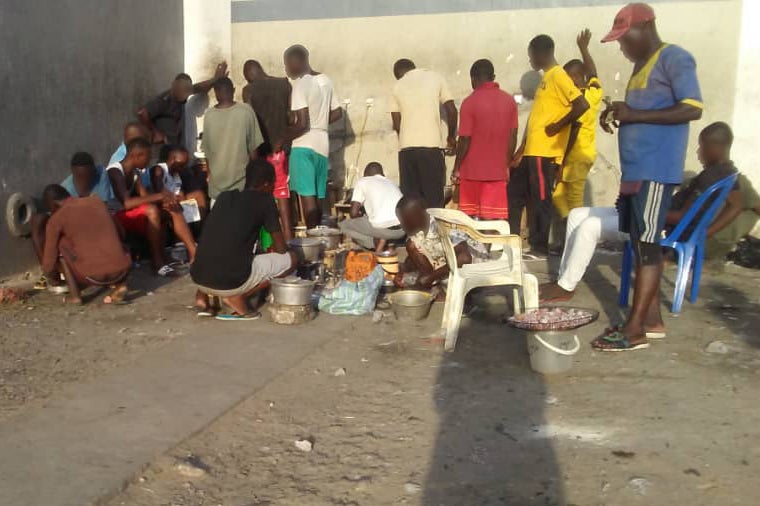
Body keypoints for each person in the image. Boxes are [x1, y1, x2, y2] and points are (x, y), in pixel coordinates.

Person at [591, 3, 702, 351]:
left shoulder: (675, 58)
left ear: (646, 28)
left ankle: (635, 328)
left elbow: (692, 107)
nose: (622, 47)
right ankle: (652, 319)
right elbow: (643, 113)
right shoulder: (641, 66)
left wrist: (634, 114)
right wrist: (620, 115)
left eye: (625, 39)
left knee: (649, 245)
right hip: (636, 171)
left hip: (656, 170)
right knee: (639, 243)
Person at [541, 123, 753, 304]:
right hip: (653, 216)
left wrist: (700, 233)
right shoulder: (728, 173)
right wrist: (703, 232)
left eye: (702, 146)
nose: (699, 152)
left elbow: (680, 217)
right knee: (578, 214)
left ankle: (566, 287)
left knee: (589, 227)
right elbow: (736, 205)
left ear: (717, 146)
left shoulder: (713, 176)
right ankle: (563, 278)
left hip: (656, 227)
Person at [509, 35, 590, 255]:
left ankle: (539, 245)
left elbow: (581, 105)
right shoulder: (546, 79)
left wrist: (558, 126)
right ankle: (513, 239)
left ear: (540, 53)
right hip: (532, 150)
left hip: (545, 151)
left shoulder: (559, 76)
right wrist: (522, 148)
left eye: (531, 56)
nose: (530, 61)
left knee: (541, 198)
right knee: (515, 192)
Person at [191, 158, 297, 320]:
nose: (274, 188)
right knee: (292, 259)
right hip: (231, 282)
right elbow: (281, 248)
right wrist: (292, 249)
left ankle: (202, 297)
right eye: (274, 184)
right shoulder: (265, 201)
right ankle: (238, 296)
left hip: (198, 277)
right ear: (266, 184)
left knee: (218, 253)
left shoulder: (224, 197)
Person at [107, 137, 197, 276]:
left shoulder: (135, 172)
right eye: (147, 157)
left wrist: (167, 202)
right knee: (152, 210)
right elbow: (126, 203)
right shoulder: (115, 171)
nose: (149, 162)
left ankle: (193, 254)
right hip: (115, 215)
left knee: (170, 208)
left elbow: (144, 197)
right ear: (136, 156)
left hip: (130, 213)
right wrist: (160, 196)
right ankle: (157, 261)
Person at [31, 152, 117, 290]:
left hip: (95, 228)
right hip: (75, 230)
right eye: (80, 177)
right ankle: (52, 275)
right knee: (39, 223)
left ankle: (77, 286)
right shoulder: (65, 189)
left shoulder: (101, 174)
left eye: (89, 176)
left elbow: (103, 211)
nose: (85, 180)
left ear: (93, 172)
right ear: (73, 173)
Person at [40, 185, 131, 305]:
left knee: (62, 244)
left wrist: (52, 279)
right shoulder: (96, 201)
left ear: (52, 205)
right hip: (123, 269)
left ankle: (75, 296)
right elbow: (121, 233)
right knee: (109, 239)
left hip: (92, 276)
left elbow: (49, 263)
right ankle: (120, 285)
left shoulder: (57, 218)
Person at [283, 45, 343, 229]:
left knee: (307, 197)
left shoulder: (301, 85)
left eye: (287, 65)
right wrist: (320, 122)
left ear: (296, 62)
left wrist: (283, 139)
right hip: (322, 144)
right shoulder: (325, 80)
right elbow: (337, 112)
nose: (286, 70)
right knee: (317, 195)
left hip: (303, 146)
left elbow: (301, 124)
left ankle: (312, 240)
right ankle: (320, 237)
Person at [452, 59, 518, 220]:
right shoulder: (509, 101)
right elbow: (513, 136)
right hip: (497, 172)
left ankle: (475, 246)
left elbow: (465, 139)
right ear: (493, 76)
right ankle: (492, 245)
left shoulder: (469, 103)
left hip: (471, 173)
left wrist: (456, 167)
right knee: (493, 219)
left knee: (470, 219)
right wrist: (506, 165)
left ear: (472, 79)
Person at [390, 58, 457, 209]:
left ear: (399, 74)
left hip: (407, 150)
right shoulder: (435, 77)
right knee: (433, 199)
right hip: (431, 148)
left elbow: (396, 123)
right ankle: (434, 231)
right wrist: (451, 137)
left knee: (411, 201)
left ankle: (415, 232)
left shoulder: (398, 85)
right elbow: (451, 110)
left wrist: (407, 136)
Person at [552, 29, 604, 220]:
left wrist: (561, 160)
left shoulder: (580, 100)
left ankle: (578, 236)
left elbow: (574, 131)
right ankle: (571, 228)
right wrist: (584, 49)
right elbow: (593, 73)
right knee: (557, 195)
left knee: (574, 201)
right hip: (583, 154)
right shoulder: (594, 93)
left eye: (567, 78)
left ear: (574, 77)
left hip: (576, 154)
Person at [242, 59, 294, 240]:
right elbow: (290, 115)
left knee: (263, 194)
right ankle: (288, 236)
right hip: (282, 149)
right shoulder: (284, 84)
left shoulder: (248, 91)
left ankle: (270, 239)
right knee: (282, 192)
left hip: (262, 151)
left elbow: (249, 121)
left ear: (249, 75)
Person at [395, 197, 489, 289]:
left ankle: (438, 283)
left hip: (473, 267)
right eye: (401, 221)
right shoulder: (417, 229)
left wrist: (432, 276)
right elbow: (415, 257)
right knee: (411, 246)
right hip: (447, 262)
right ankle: (431, 282)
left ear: (419, 215)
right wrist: (403, 270)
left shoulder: (442, 226)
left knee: (427, 276)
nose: (402, 225)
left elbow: (465, 258)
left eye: (405, 221)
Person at [201, 77, 264, 200]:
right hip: (242, 186)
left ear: (215, 92)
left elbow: (207, 153)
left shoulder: (209, 115)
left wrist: (210, 176)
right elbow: (254, 150)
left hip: (216, 189)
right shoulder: (246, 111)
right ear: (234, 90)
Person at [137, 62, 228, 147]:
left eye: (188, 89)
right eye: (183, 89)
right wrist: (155, 131)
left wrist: (215, 80)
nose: (186, 92)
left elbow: (198, 88)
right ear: (174, 86)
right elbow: (142, 113)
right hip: (163, 148)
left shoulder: (184, 98)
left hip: (178, 146)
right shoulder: (165, 99)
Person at [339, 162, 405, 251]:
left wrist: (361, 216)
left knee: (343, 225)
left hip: (383, 230)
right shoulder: (391, 182)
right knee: (373, 220)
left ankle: (374, 244)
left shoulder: (363, 181)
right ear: (382, 174)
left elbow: (353, 214)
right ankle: (383, 242)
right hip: (402, 230)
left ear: (365, 174)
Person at [148, 145, 209, 219]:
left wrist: (181, 197)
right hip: (164, 202)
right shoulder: (160, 169)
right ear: (172, 160)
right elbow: (159, 190)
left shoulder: (176, 174)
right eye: (181, 165)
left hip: (175, 200)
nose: (183, 168)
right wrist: (174, 198)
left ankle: (201, 223)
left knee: (199, 194)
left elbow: (180, 192)